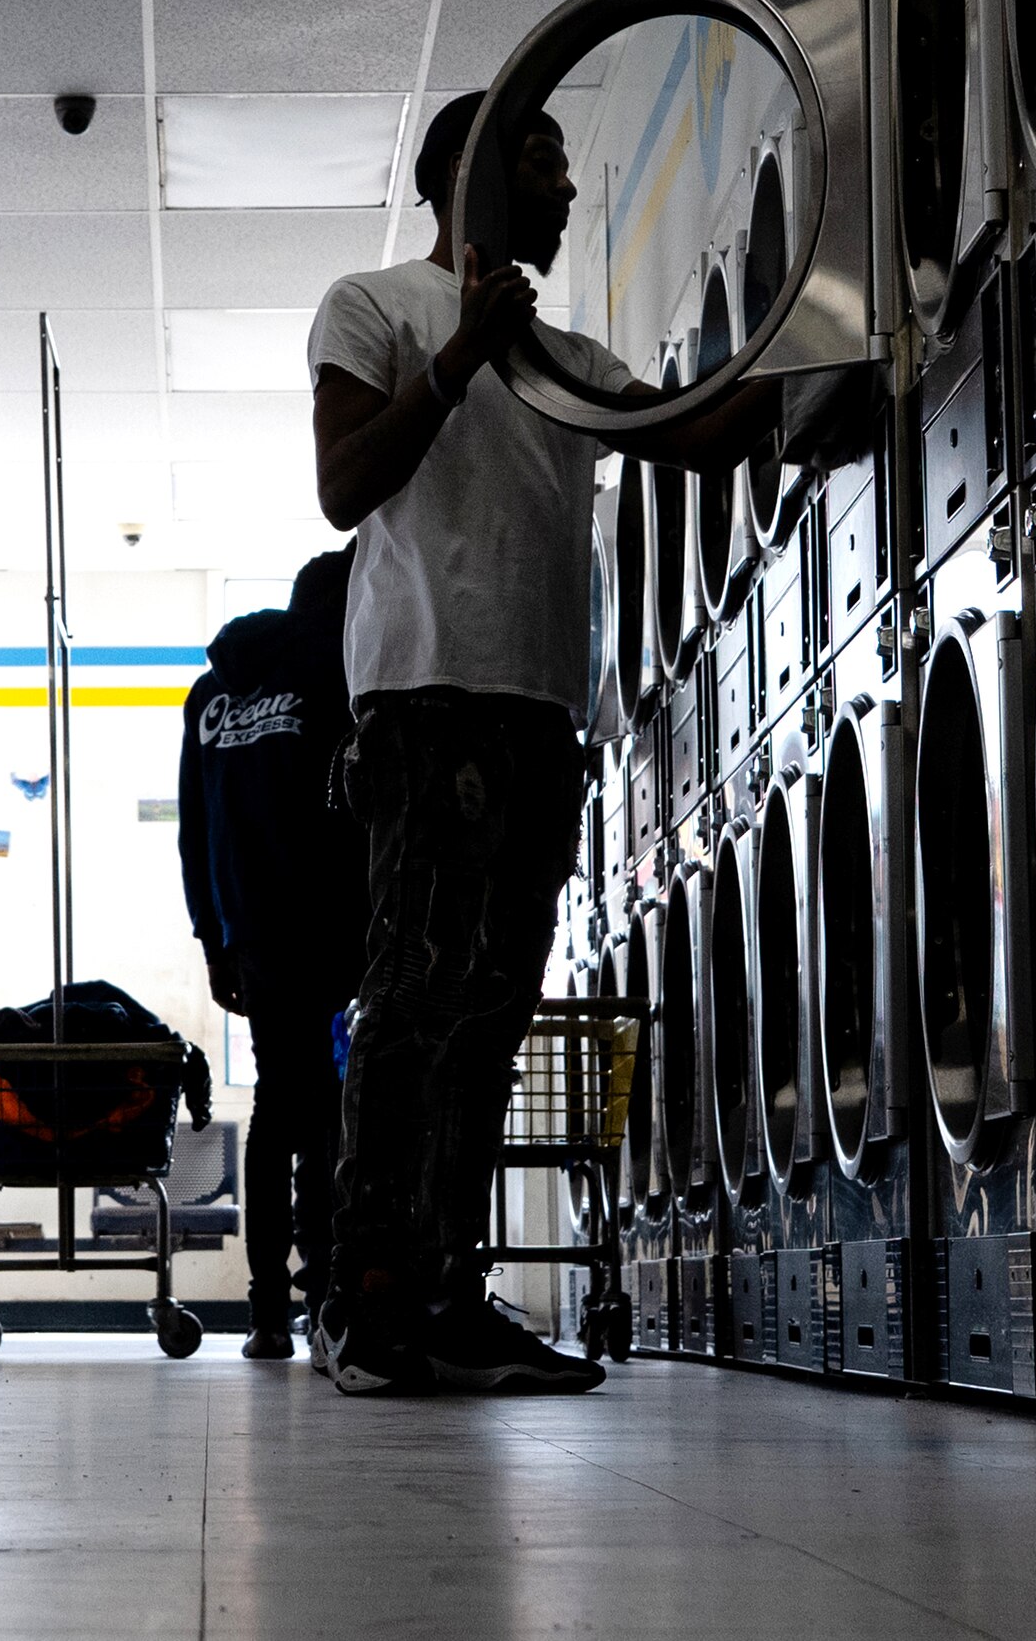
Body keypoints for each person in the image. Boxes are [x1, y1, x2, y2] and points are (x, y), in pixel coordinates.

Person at [306, 88, 764, 1398]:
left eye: (566, 169)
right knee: (414, 1003)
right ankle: (373, 1297)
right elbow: (344, 488)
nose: (565, 190)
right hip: (426, 697)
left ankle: (444, 1288)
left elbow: (700, 431)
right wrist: (456, 361)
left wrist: (831, 345)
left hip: (539, 714)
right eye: (542, 161)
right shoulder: (376, 303)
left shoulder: (572, 361)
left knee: (491, 1013)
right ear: (468, 177)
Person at [177, 553, 363, 1360]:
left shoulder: (210, 691)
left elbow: (195, 827)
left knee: (278, 1106)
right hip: (328, 924)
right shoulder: (333, 671)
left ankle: (264, 1314)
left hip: (251, 931)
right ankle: (321, 1297)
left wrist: (213, 939)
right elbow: (352, 808)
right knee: (323, 1107)